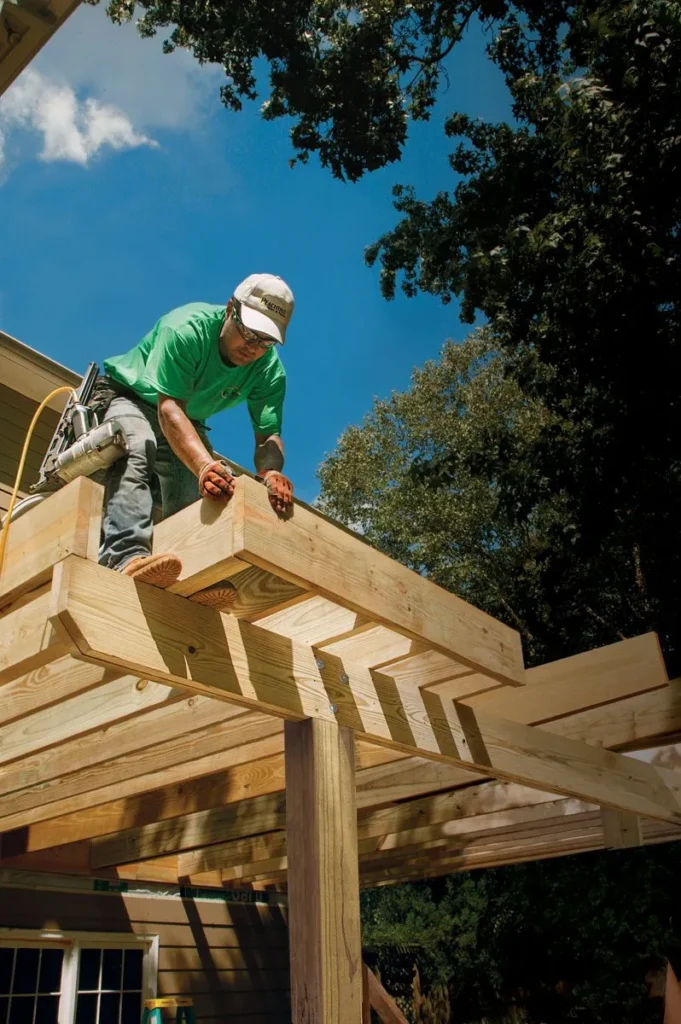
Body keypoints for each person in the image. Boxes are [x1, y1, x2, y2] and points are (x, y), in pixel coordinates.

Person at [92, 273, 294, 610]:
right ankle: (123, 558)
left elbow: (268, 435)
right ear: (231, 309)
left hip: (185, 418)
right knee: (137, 446)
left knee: (209, 489)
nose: (253, 347)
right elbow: (168, 407)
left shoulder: (268, 370)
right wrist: (203, 465)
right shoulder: (186, 328)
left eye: (265, 341)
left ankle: (192, 574)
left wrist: (271, 472)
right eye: (248, 333)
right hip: (132, 396)